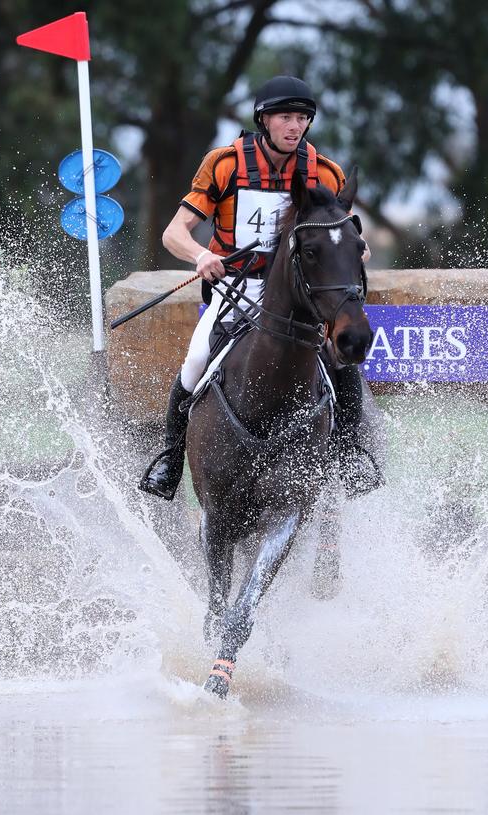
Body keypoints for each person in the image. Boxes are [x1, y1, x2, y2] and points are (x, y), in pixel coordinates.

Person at [139, 75, 383, 501]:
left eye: (302, 118)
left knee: (340, 365)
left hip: (299, 295)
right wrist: (201, 256)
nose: (295, 126)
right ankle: (172, 459)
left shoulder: (324, 171)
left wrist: (351, 252)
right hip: (237, 285)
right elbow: (173, 233)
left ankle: (348, 452)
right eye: (286, 117)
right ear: (264, 120)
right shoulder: (225, 164)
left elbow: (342, 235)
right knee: (197, 360)